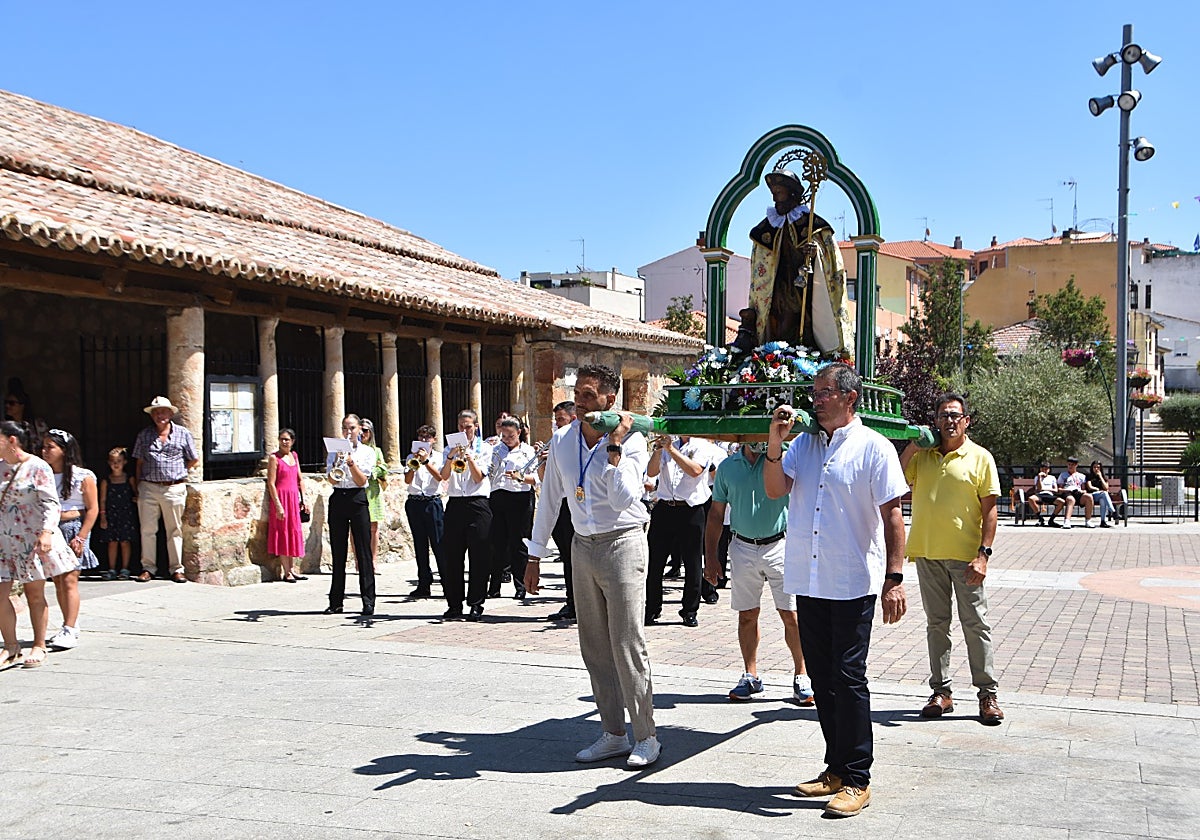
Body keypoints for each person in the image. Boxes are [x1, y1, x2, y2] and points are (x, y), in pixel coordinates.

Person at [763, 362, 909, 818]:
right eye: (815, 390)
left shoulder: (874, 448)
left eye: (825, 391)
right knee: (822, 680)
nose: (816, 398)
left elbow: (892, 518)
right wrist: (774, 440)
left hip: (851, 582)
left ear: (849, 397)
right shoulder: (802, 445)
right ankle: (836, 768)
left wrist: (895, 578)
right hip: (809, 581)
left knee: (848, 679)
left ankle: (859, 778)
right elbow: (773, 491)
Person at [524, 364, 660, 768]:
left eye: (587, 395)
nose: (579, 401)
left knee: (626, 642)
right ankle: (613, 733)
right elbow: (550, 498)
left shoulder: (633, 441)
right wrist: (534, 554)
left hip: (623, 543)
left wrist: (614, 448)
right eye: (577, 393)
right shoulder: (563, 439)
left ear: (609, 400)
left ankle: (646, 736)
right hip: (581, 546)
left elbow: (623, 499)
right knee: (594, 645)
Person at [900, 394, 1004, 726]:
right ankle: (941, 692)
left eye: (956, 416)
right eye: (944, 415)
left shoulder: (980, 457)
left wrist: (983, 555)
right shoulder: (925, 456)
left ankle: (987, 694)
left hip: (965, 558)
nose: (950, 421)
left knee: (976, 625)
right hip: (928, 554)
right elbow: (895, 478)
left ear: (967, 421)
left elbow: (990, 511)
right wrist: (915, 445)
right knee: (937, 626)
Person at [704, 442, 812, 704]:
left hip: (780, 545)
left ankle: (802, 675)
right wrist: (710, 558)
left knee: (792, 615)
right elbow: (716, 514)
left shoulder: (783, 463)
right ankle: (750, 675)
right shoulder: (728, 468)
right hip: (742, 546)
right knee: (747, 614)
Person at [735, 168, 852, 354]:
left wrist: (815, 253)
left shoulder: (813, 225)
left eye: (778, 194)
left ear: (791, 193)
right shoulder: (767, 228)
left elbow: (829, 259)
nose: (775, 200)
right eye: (773, 194)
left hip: (804, 286)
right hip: (777, 287)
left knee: (800, 320)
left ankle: (800, 354)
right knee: (777, 323)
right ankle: (778, 358)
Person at [0, 420, 78, 669]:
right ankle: (11, 646)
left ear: (12, 441)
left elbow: (51, 503)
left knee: (34, 594)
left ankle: (38, 645)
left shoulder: (37, 467)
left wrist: (46, 532)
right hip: (3, 540)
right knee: (0, 595)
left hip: (29, 539)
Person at [645, 435, 712, 628]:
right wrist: (659, 449)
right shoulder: (667, 443)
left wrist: (671, 450)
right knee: (655, 562)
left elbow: (695, 471)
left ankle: (689, 611)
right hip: (665, 507)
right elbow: (651, 472)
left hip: (690, 509)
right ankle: (651, 608)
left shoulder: (701, 445)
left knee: (692, 563)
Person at [42, 428, 99, 651]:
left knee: (69, 580)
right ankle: (69, 623)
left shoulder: (82, 476)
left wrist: (82, 536)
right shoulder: (43, 474)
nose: (45, 451)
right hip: (51, 529)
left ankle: (70, 627)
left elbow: (93, 509)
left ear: (64, 451)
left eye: (50, 447)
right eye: (44, 446)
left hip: (72, 528)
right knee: (57, 580)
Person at [131, 395, 198, 583]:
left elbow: (193, 458)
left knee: (174, 530)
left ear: (170, 413)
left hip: (173, 488)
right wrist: (138, 488)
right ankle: (147, 567)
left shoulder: (183, 433)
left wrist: (178, 472)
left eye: (163, 411)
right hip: (149, 487)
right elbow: (139, 462)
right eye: (156, 412)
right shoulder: (144, 435)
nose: (160, 415)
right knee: (147, 530)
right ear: (152, 415)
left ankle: (177, 568)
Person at [438, 409, 494, 621]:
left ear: (476, 427)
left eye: (468, 426)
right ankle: (454, 604)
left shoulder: (486, 449)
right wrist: (451, 457)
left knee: (479, 556)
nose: (464, 430)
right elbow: (443, 477)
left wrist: (471, 459)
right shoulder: (448, 449)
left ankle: (476, 603)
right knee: (452, 556)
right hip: (455, 504)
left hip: (478, 503)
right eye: (461, 426)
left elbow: (479, 478)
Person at [324, 414, 376, 616]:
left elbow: (363, 481)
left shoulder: (367, 452)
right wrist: (337, 462)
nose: (349, 432)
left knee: (363, 551)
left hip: (357, 499)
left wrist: (351, 463)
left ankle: (368, 601)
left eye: (352, 428)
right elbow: (332, 480)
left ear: (360, 431)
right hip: (338, 498)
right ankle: (336, 601)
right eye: (345, 428)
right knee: (338, 551)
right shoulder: (334, 451)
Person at [488, 416, 537, 600]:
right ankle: (494, 586)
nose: (507, 438)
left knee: (519, 543)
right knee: (496, 543)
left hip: (520, 497)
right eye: (504, 435)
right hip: (498, 496)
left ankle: (521, 585)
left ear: (519, 433)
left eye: (510, 435)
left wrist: (520, 477)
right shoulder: (495, 449)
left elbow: (537, 479)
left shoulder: (527, 451)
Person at [544, 400, 578, 622]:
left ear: (573, 419)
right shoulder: (559, 441)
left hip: (576, 504)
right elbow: (546, 483)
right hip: (561, 504)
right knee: (567, 557)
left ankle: (582, 604)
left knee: (577, 558)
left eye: (560, 420)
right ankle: (572, 602)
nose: (556, 425)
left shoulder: (577, 441)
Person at [403, 424, 444, 598]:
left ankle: (447, 582)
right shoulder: (410, 457)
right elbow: (407, 480)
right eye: (421, 437)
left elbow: (440, 477)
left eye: (427, 438)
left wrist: (426, 461)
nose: (423, 440)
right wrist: (415, 463)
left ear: (433, 440)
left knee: (439, 544)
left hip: (432, 502)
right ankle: (423, 583)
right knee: (420, 545)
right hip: (415, 502)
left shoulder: (440, 457)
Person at [266, 428, 306, 583]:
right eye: (281, 439)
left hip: (293, 499)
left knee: (293, 531)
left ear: (292, 441)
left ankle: (292, 569)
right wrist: (278, 505)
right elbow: (271, 483)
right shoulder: (274, 458)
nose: (284, 442)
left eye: (287, 439)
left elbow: (299, 479)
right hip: (282, 498)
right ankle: (286, 571)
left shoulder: (294, 456)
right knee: (283, 532)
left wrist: (304, 498)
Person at [98, 447, 138, 580]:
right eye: (113, 461)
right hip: (111, 514)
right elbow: (102, 499)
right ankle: (112, 568)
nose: (116, 464)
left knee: (125, 541)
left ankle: (125, 568)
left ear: (125, 462)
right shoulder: (106, 480)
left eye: (119, 461)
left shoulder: (129, 478)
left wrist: (136, 499)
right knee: (112, 542)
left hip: (126, 514)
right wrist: (103, 516)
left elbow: (136, 493)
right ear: (109, 463)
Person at [358, 419, 389, 571]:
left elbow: (384, 467)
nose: (362, 434)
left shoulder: (376, 451)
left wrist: (373, 472)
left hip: (372, 491)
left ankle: (373, 559)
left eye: (366, 430)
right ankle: (359, 559)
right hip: (358, 490)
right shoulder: (353, 450)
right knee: (356, 528)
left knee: (373, 527)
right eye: (361, 430)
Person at [4, 378, 47, 459]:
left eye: (12, 403)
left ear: (22, 405)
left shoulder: (38, 425)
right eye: (6, 403)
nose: (7, 406)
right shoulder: (5, 426)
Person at [1053, 457, 1095, 528]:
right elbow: (1059, 489)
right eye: (1069, 464)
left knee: (1089, 497)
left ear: (1076, 465)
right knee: (1071, 500)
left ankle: (1088, 520)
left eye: (1072, 465)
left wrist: (1082, 491)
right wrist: (1068, 490)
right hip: (1067, 492)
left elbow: (1084, 489)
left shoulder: (1081, 476)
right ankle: (1067, 521)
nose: (1070, 466)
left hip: (1078, 492)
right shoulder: (1063, 475)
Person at [1086, 461, 1117, 528]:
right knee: (1104, 493)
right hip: (1092, 495)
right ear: (1092, 468)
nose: (1096, 469)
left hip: (1101, 495)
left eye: (1098, 467)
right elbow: (1089, 487)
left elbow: (1106, 487)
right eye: (1094, 467)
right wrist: (1097, 489)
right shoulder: (1089, 476)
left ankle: (1103, 521)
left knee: (1103, 500)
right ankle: (1113, 511)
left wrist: (1100, 477)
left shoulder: (1103, 477)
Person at [1025, 462, 1057, 526]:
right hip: (1040, 495)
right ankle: (1040, 518)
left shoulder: (1052, 478)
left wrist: (1046, 489)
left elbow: (1055, 490)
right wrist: (1039, 477)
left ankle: (1051, 520)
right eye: (1042, 469)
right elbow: (1039, 489)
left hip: (1049, 494)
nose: (1044, 471)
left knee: (1061, 502)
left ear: (1048, 470)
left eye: (1046, 469)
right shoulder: (1037, 478)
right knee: (1031, 499)